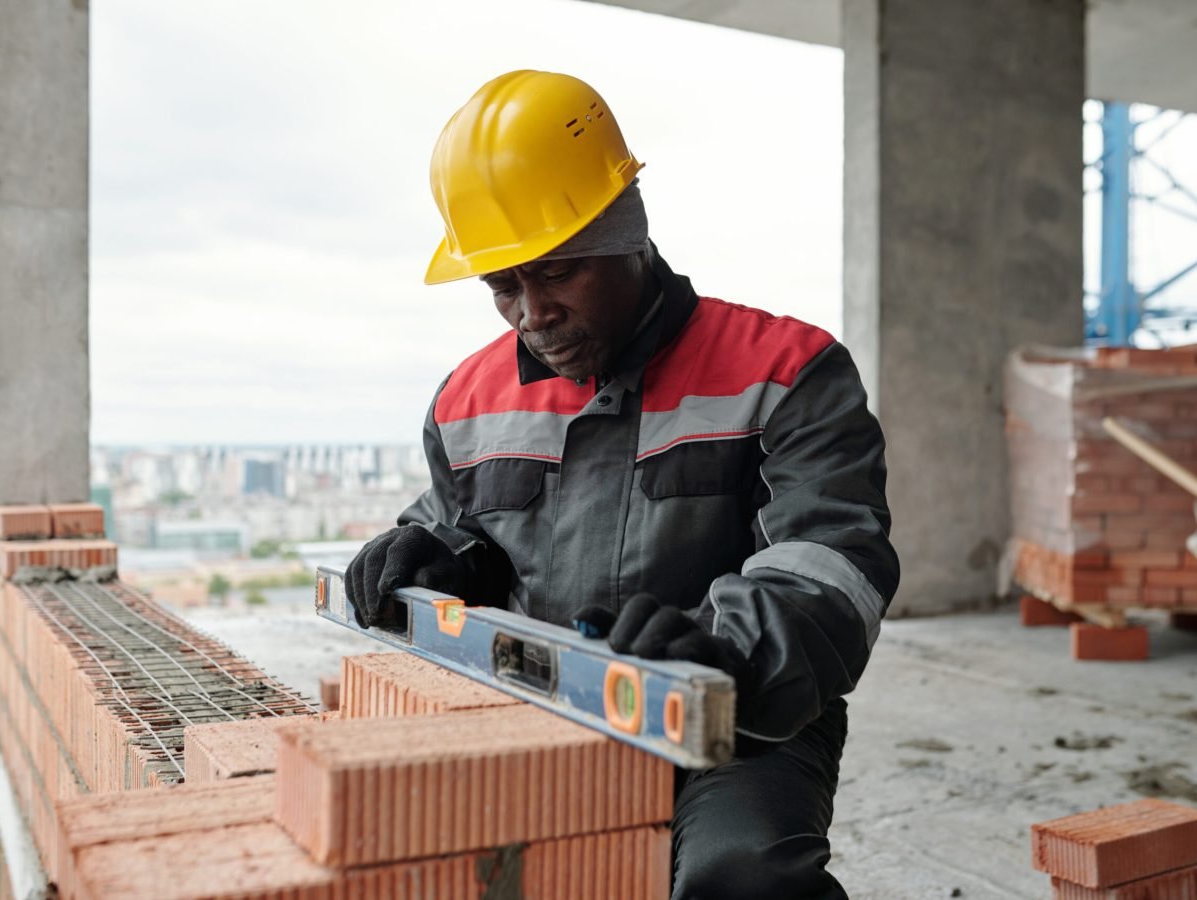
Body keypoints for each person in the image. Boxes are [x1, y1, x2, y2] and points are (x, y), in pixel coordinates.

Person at [345, 69, 899, 899]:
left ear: (627, 234)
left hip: (739, 718)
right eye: (503, 286)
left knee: (741, 878)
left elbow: (832, 560)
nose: (531, 313)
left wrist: (726, 657)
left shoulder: (787, 371)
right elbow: (458, 525)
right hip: (542, 702)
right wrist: (434, 557)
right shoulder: (466, 399)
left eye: (558, 271)